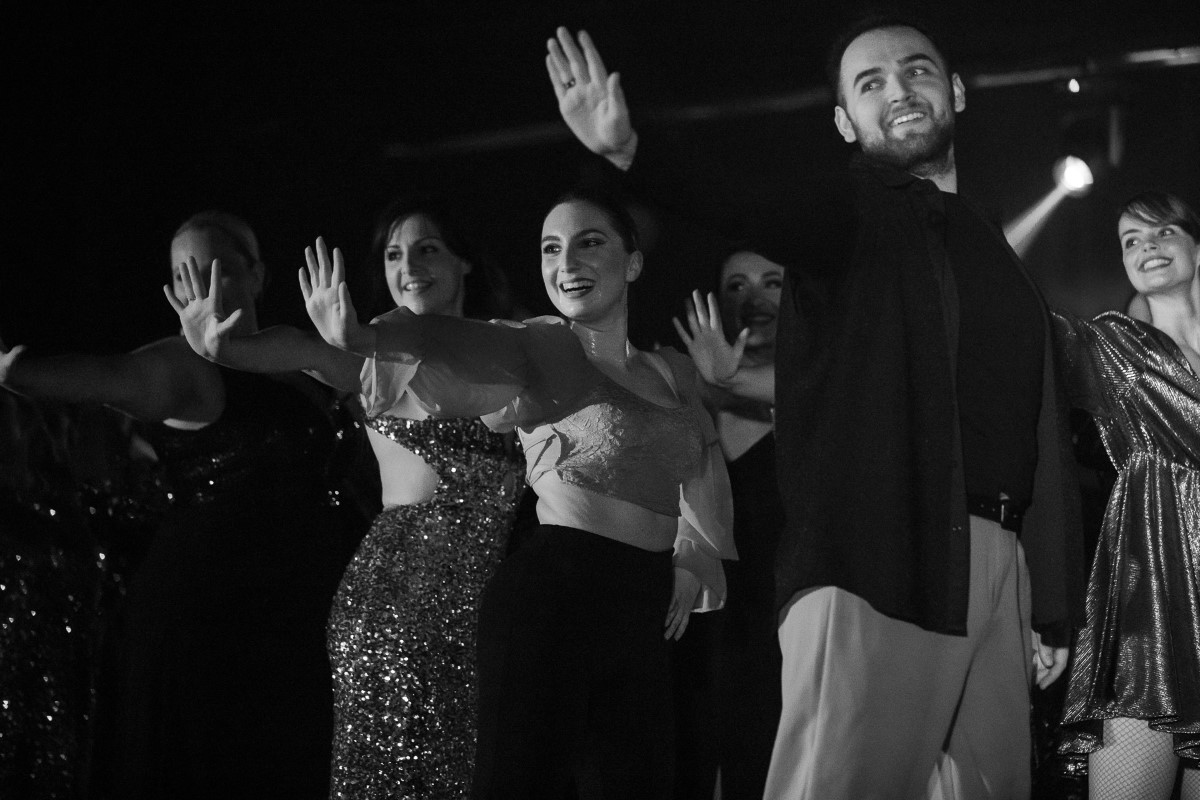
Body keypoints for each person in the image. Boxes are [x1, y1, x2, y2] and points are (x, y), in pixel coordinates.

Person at [544, 16, 1085, 799]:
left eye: (917, 70)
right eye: (871, 83)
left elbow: (1034, 425)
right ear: (843, 121)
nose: (899, 90)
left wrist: (1048, 602)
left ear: (957, 91)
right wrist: (632, 150)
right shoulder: (854, 212)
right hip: (881, 556)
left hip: (998, 564)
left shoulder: (992, 247)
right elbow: (746, 202)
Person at [292, 188, 734, 798]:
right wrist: (360, 338)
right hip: (555, 593)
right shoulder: (537, 344)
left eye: (589, 242)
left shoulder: (672, 370)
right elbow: (449, 343)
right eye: (551, 248)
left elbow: (702, 460)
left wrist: (692, 551)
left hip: (645, 604)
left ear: (632, 262)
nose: (567, 262)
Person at [169, 196, 527, 799]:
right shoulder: (378, 349)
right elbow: (306, 349)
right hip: (397, 605)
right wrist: (227, 351)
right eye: (393, 255)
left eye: (426, 249)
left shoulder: (513, 346)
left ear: (464, 261)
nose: (408, 266)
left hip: (487, 607)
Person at [0, 211, 361, 799]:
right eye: (182, 275)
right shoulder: (183, 366)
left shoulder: (292, 355)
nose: (201, 288)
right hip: (215, 624)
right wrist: (19, 372)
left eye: (218, 269)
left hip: (295, 615)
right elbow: (105, 377)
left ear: (258, 275)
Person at [1053, 190, 1200, 800]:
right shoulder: (1114, 346)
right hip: (1153, 615)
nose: (1147, 248)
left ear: (1196, 245)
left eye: (1163, 232)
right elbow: (1026, 333)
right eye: (1130, 241)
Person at [668, 251, 783, 800]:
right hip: (706, 622)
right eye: (736, 286)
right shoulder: (687, 393)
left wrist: (731, 378)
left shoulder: (818, 391)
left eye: (771, 283)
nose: (753, 301)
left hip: (788, 620)